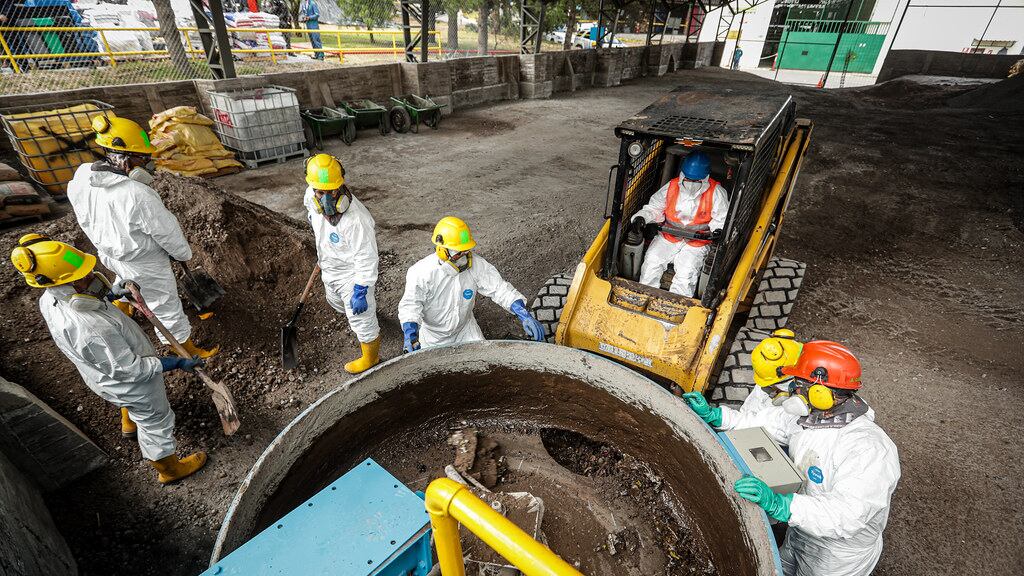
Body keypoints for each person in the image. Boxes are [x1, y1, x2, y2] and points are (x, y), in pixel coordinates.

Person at [10, 234, 207, 484]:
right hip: (131, 384)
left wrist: (111, 294)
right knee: (157, 421)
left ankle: (129, 423)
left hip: (101, 373)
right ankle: (169, 469)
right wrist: (177, 363)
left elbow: (87, 298)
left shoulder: (50, 298)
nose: (92, 277)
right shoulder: (91, 330)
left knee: (130, 403)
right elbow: (132, 370)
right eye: (83, 278)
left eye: (88, 271)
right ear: (68, 286)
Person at [730, 341, 901, 576]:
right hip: (799, 533)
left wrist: (781, 505)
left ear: (819, 391)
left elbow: (847, 516)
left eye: (798, 384)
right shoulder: (812, 417)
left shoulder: (869, 449)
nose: (793, 391)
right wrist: (718, 416)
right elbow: (763, 423)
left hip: (836, 557)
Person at [66, 114, 218, 359]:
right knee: (164, 304)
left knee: (124, 277)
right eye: (142, 158)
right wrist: (182, 254)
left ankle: (123, 305)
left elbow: (84, 217)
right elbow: (167, 232)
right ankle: (183, 347)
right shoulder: (137, 193)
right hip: (145, 263)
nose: (147, 163)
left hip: (109, 252)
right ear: (125, 158)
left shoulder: (82, 177)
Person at [399, 216, 545, 352]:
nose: (463, 257)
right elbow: (411, 306)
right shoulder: (421, 273)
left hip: (466, 332)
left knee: (483, 367)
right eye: (458, 253)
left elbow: (500, 289)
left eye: (465, 251)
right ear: (442, 250)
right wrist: (410, 336)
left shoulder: (476, 265)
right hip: (433, 338)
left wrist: (524, 314)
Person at [302, 154, 381, 374]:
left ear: (341, 185)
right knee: (336, 303)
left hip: (351, 274)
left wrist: (361, 288)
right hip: (329, 268)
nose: (326, 198)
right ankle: (367, 309)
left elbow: (366, 256)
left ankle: (371, 357)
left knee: (361, 319)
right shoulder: (311, 195)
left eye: (332, 192)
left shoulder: (357, 220)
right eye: (321, 192)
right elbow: (311, 209)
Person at [630, 150, 729, 297]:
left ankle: (676, 304)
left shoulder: (716, 192)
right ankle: (645, 296)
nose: (691, 184)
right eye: (688, 179)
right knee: (652, 261)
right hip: (668, 238)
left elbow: (721, 219)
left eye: (696, 182)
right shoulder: (672, 186)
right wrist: (641, 217)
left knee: (687, 272)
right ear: (683, 174)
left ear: (706, 178)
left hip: (696, 243)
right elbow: (655, 208)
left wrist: (719, 231)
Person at [683, 328, 802, 440]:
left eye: (773, 387)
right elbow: (748, 417)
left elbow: (754, 427)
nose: (767, 389)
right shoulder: (774, 379)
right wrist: (713, 414)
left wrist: (714, 416)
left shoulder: (794, 418)